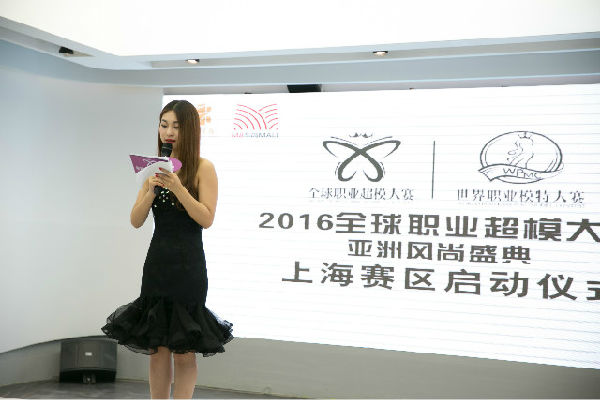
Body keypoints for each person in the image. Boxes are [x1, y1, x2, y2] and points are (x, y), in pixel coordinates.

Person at [101, 100, 233, 399]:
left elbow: (206, 218)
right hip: (157, 265)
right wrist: (150, 190)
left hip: (188, 267)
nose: (168, 132)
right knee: (157, 349)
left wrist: (178, 188)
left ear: (190, 130)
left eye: (176, 126)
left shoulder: (203, 167)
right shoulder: (153, 168)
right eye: (164, 125)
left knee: (183, 351)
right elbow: (136, 220)